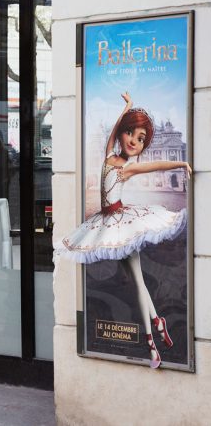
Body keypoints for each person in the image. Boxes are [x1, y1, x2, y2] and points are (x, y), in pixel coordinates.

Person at [62, 92, 191, 369]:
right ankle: (158, 322)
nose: (134, 140)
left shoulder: (128, 168)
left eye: (140, 138)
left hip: (121, 222)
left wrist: (180, 163)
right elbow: (112, 131)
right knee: (137, 281)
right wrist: (127, 108)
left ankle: (151, 344)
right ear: (122, 134)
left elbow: (155, 165)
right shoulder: (109, 156)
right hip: (108, 222)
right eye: (130, 133)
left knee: (137, 281)